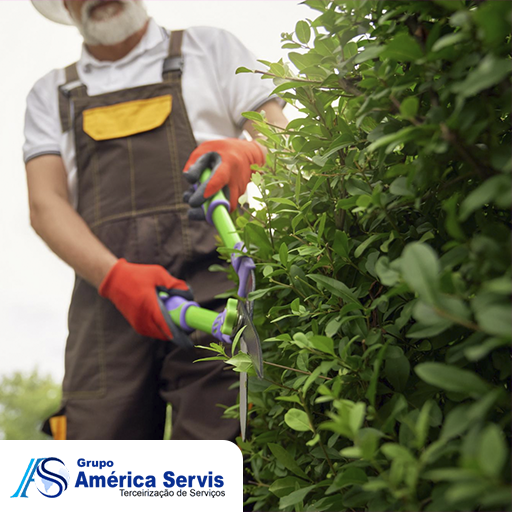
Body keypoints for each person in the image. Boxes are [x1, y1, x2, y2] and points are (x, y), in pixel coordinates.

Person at [24, 0, 287, 440]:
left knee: (220, 464)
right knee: (98, 472)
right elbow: (44, 203)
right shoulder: (50, 93)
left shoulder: (212, 49)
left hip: (216, 289)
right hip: (105, 305)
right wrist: (115, 279)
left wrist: (253, 152)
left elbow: (285, 139)